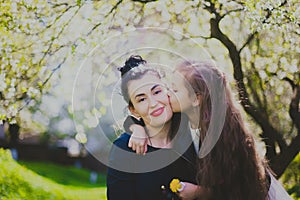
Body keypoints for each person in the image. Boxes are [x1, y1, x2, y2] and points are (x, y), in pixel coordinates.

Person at [128, 60, 292, 200]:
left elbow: (234, 190)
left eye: (175, 90)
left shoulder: (225, 137)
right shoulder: (187, 119)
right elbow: (146, 116)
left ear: (196, 99)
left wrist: (197, 192)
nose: (167, 94)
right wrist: (137, 127)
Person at [106, 55, 199, 200]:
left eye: (157, 92)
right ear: (134, 110)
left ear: (168, 90)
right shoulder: (124, 149)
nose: (153, 103)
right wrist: (135, 127)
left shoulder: (191, 130)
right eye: (142, 99)